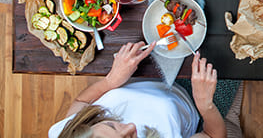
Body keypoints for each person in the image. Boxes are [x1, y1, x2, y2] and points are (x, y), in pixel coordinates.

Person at [49, 41, 239, 138]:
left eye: (111, 125)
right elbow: (212, 136)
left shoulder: (66, 133)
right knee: (233, 57)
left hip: (146, 75)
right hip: (193, 98)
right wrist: (205, 105)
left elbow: (81, 102)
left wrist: (111, 80)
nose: (131, 127)